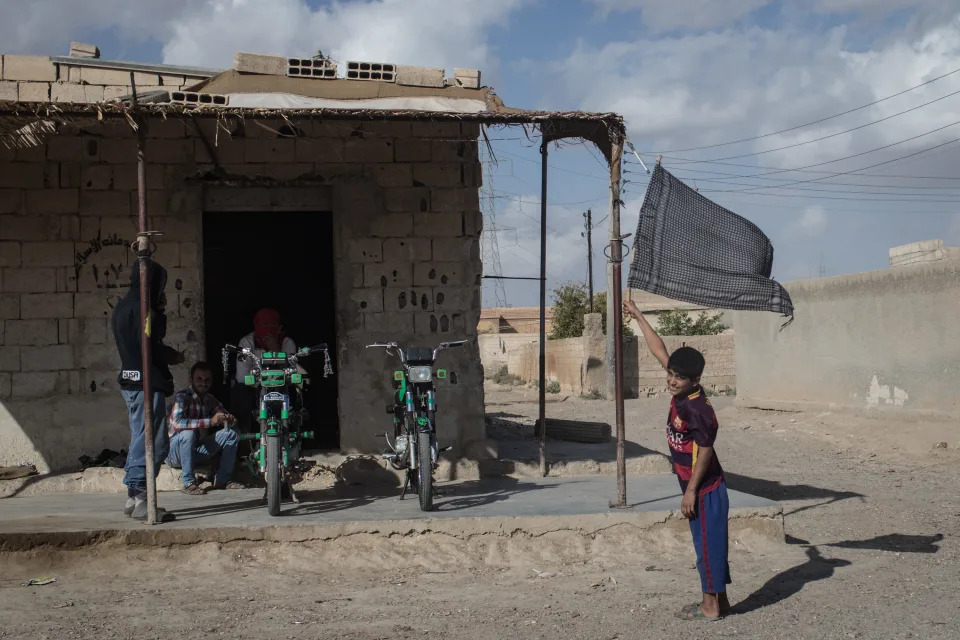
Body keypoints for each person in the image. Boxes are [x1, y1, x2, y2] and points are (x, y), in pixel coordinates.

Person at [624, 299, 731, 621]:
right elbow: (659, 349)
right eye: (670, 374)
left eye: (678, 378)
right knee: (709, 546)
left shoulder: (698, 409)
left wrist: (690, 491)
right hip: (694, 486)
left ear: (694, 381)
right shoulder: (681, 393)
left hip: (706, 489)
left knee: (708, 549)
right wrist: (639, 316)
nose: (671, 380)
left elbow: (707, 450)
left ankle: (710, 607)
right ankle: (719, 602)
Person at [112, 258, 183, 523]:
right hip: (145, 383)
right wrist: (174, 356)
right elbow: (150, 348)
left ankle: (133, 496)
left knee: (139, 438)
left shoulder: (121, 307)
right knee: (153, 441)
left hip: (131, 381)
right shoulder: (144, 310)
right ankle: (143, 500)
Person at [166, 362, 244, 494]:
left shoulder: (210, 399)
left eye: (207, 380)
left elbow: (223, 414)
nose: (203, 383)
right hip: (173, 453)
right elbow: (178, 423)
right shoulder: (182, 397)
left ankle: (222, 480)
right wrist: (210, 422)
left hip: (194, 450)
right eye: (199, 379)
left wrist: (229, 419)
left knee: (232, 433)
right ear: (191, 380)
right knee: (188, 434)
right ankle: (189, 483)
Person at [230, 309, 297, 433]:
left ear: (279, 327)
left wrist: (276, 350)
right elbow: (242, 376)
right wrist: (262, 383)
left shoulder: (287, 343)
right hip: (254, 387)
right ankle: (244, 437)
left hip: (281, 386)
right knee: (240, 392)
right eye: (265, 325)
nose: (269, 329)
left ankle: (290, 434)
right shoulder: (247, 342)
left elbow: (291, 370)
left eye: (273, 325)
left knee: (295, 394)